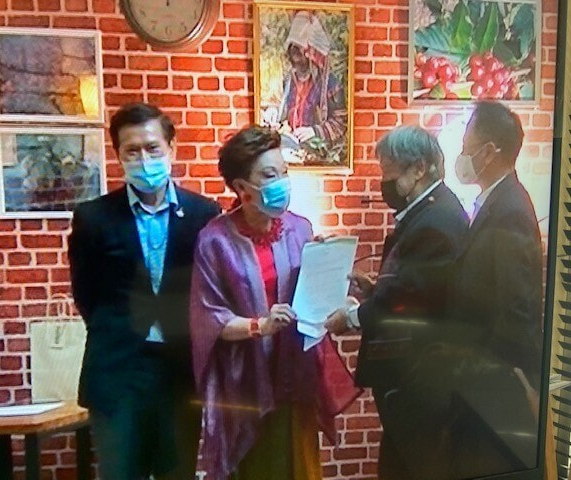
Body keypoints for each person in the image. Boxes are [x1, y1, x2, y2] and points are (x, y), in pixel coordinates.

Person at [190, 125, 357, 480]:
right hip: (245, 384)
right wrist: (260, 326)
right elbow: (209, 318)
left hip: (295, 375)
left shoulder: (300, 229)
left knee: (299, 467)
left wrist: (328, 268)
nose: (282, 182)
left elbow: (311, 296)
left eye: (284, 172)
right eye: (269, 175)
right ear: (242, 188)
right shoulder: (215, 240)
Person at [68, 103, 220, 480]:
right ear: (118, 155)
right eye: (132, 150)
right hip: (118, 372)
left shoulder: (203, 214)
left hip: (179, 371)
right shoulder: (93, 217)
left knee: (178, 474)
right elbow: (86, 294)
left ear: (172, 148)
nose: (143, 159)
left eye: (152, 148)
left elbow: (210, 290)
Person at [325, 125, 469, 479]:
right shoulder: (430, 211)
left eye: (388, 172)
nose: (384, 182)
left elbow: (415, 301)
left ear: (418, 169)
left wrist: (353, 316)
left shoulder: (436, 220)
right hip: (414, 377)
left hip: (419, 378)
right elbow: (416, 287)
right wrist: (376, 289)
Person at [447, 100, 543, 478]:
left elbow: (517, 307)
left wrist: (516, 383)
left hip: (496, 390)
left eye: (466, 147)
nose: (461, 157)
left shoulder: (510, 211)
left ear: (489, 152)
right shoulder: (494, 202)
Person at [270, 10, 347, 146]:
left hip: (316, 150)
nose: (296, 59)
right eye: (292, 51)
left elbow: (340, 124)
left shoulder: (330, 84)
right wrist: (273, 112)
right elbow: (280, 106)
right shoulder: (288, 80)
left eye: (300, 53)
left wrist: (314, 131)